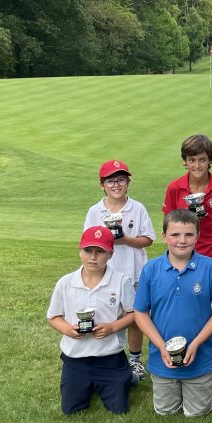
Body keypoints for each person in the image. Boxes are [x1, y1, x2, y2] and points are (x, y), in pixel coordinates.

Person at [134, 209, 212, 417]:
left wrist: (196, 343)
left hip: (200, 356)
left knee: (196, 413)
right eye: (175, 234)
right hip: (162, 358)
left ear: (197, 236)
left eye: (188, 235)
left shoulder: (209, 268)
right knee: (165, 411)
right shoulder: (151, 269)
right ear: (164, 236)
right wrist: (161, 346)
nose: (181, 240)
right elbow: (140, 312)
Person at [162, 134, 212, 378]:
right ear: (185, 161)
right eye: (192, 160)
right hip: (181, 256)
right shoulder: (175, 188)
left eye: (202, 160)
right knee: (184, 304)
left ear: (210, 161)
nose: (197, 165)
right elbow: (168, 222)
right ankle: (180, 349)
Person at [47, 226, 136, 415]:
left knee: (118, 408)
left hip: (109, 356)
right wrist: (67, 330)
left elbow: (134, 313)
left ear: (110, 254)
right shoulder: (66, 282)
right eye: (88, 250)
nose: (93, 257)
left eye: (100, 252)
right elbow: (53, 317)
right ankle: (86, 382)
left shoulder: (121, 281)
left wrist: (112, 327)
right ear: (80, 250)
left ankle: (125, 375)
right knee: (71, 409)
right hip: (75, 357)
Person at [83, 159, 155, 382]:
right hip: (106, 274)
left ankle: (134, 359)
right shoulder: (96, 211)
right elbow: (88, 243)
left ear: (128, 182)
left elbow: (147, 240)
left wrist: (124, 239)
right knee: (107, 316)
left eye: (121, 179)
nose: (116, 185)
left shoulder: (137, 208)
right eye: (111, 181)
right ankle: (107, 358)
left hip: (134, 273)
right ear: (102, 184)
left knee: (135, 318)